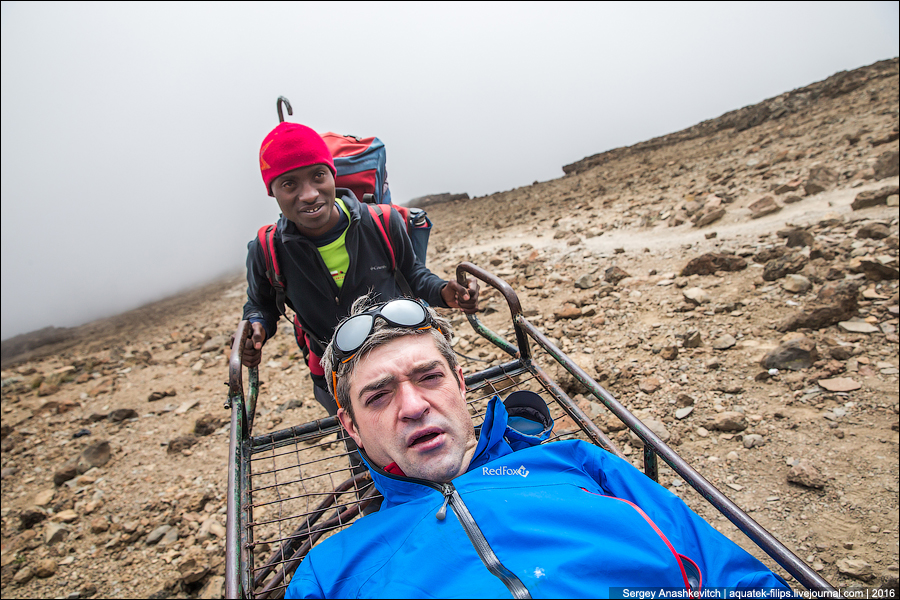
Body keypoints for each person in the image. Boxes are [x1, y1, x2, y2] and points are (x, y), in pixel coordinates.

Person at [285, 295, 794, 599]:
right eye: (379, 396)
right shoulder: (328, 572)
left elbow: (733, 579)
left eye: (429, 377)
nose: (414, 406)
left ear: (461, 385)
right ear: (351, 428)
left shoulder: (576, 463)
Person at [241, 122, 479, 414]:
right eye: (289, 184)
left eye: (318, 176)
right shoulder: (267, 250)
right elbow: (259, 305)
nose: (309, 194)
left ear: (332, 174)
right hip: (336, 375)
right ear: (272, 191)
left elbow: (414, 276)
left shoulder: (382, 223)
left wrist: (445, 292)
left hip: (404, 358)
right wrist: (257, 327)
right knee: (364, 447)